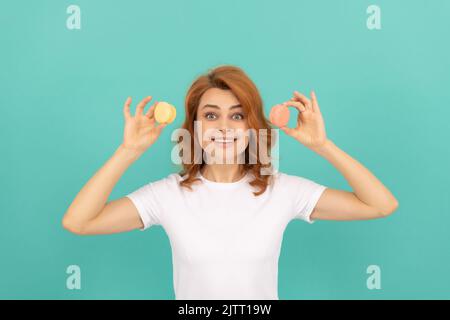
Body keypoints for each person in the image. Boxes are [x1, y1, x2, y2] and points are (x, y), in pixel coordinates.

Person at [62, 65, 399, 300]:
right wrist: (128, 151)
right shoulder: (168, 194)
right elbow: (79, 222)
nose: (224, 127)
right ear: (194, 125)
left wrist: (323, 146)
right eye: (211, 115)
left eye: (237, 115)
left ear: (252, 126)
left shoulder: (281, 190)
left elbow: (380, 205)